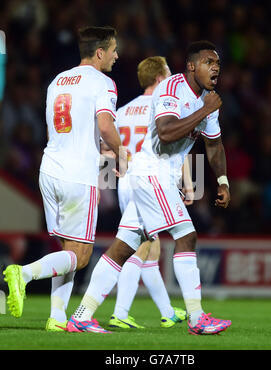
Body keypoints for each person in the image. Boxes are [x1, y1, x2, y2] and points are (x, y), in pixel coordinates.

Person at [67, 40, 231, 335]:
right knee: (186, 236)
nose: (216, 67)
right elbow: (167, 133)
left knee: (124, 246)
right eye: (209, 61)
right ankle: (197, 318)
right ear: (192, 66)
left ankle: (81, 314)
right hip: (152, 171)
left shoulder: (210, 100)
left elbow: (214, 144)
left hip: (149, 175)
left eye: (217, 63)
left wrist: (222, 180)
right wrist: (203, 110)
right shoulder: (172, 89)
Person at [3, 26, 125, 333]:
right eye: (113, 50)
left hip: (50, 169)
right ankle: (24, 273)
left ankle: (57, 318)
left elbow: (51, 130)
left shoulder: (57, 80)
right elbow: (106, 125)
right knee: (81, 256)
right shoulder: (103, 83)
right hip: (78, 175)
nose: (116, 55)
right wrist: (121, 153)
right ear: (100, 52)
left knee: (68, 249)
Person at [107, 56, 194, 330]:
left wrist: (109, 183)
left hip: (125, 183)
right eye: (168, 74)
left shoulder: (122, 111)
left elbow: (107, 149)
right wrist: (189, 184)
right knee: (138, 248)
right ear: (159, 78)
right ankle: (119, 312)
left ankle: (168, 311)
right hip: (150, 181)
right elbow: (177, 146)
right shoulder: (164, 106)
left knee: (150, 249)